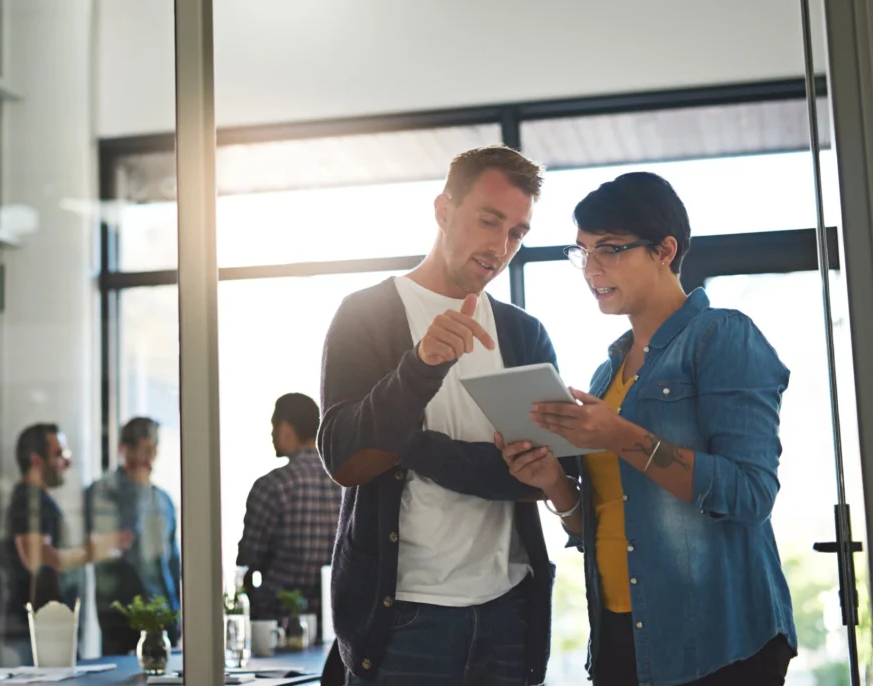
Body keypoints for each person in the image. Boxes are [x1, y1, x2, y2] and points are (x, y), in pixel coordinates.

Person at [500, 172, 797, 686]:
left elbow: (751, 493)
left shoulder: (721, 336)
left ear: (664, 250)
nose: (591, 269)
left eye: (610, 249)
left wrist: (619, 436)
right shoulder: (607, 374)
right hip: (622, 636)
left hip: (716, 642)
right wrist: (550, 481)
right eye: (582, 252)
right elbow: (601, 525)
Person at [319, 145, 574, 686]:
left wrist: (416, 448)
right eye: (489, 220)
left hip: (509, 612)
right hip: (404, 617)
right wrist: (420, 366)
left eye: (517, 233)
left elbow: (543, 474)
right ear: (443, 210)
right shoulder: (366, 315)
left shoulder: (524, 333)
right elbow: (345, 460)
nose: (500, 246)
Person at [1, 423, 131, 664]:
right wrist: (92, 552)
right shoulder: (27, 502)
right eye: (59, 454)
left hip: (48, 628)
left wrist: (98, 547)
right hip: (35, 631)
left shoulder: (39, 500)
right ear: (36, 460)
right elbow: (39, 559)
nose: (67, 463)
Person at [237, 393, 341, 632]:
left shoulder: (273, 485)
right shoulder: (346, 483)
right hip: (334, 623)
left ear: (285, 428)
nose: (272, 435)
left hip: (277, 622)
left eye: (274, 426)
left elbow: (247, 562)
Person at [86, 417, 182, 655]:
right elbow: (120, 544)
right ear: (123, 449)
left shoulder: (163, 501)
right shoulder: (101, 493)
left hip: (162, 611)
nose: (146, 458)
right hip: (117, 614)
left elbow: (172, 562)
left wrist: (178, 612)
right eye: (140, 449)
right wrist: (139, 491)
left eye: (151, 450)